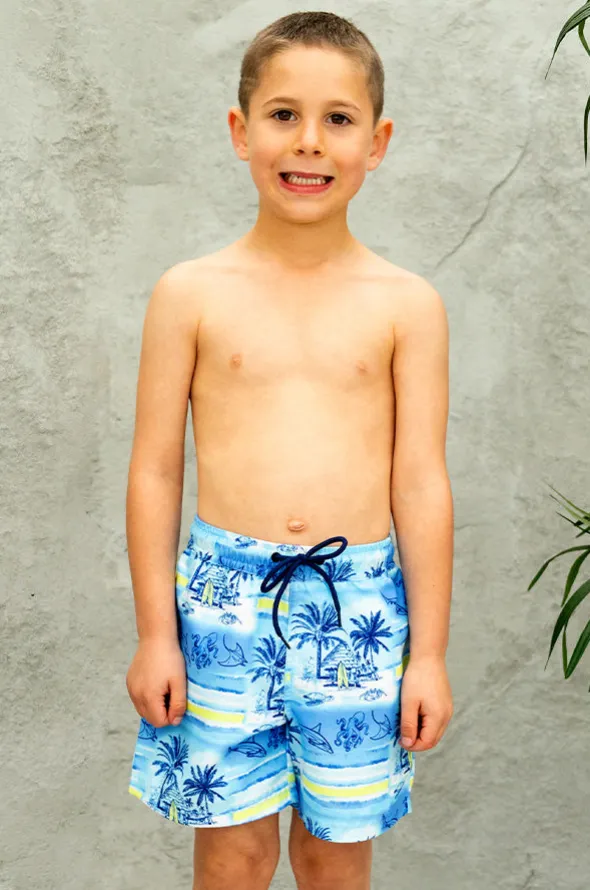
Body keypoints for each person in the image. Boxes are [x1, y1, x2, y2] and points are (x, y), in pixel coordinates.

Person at [125, 10, 454, 890]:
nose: (309, 142)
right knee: (233, 854)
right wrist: (156, 634)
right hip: (219, 607)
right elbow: (155, 469)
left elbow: (421, 483)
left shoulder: (407, 305)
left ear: (377, 142)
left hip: (360, 612)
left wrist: (428, 655)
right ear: (241, 132)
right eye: (283, 114)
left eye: (338, 119)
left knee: (333, 856)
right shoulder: (190, 294)